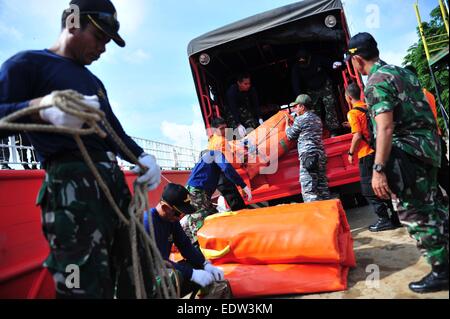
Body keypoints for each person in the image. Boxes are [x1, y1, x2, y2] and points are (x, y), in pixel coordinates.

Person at [0, 0, 161, 298]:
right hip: (70, 192)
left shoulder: (94, 82)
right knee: (79, 281)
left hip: (112, 188)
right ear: (73, 22)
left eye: (107, 42)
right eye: (99, 37)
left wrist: (142, 157)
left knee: (136, 273)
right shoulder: (26, 65)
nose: (102, 48)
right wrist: (40, 108)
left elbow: (113, 132)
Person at [348, 32, 448, 293]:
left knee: (414, 213)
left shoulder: (376, 82)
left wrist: (378, 169)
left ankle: (442, 270)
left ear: (357, 60)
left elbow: (385, 128)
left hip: (407, 155)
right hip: (430, 149)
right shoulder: (403, 72)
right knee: (435, 207)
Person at [142, 183, 225, 298]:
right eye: (178, 213)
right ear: (165, 207)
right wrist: (192, 274)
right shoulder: (147, 223)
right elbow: (157, 261)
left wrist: (205, 264)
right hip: (143, 277)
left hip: (160, 269)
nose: (181, 217)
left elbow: (185, 245)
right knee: (176, 277)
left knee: (197, 266)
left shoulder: (171, 220)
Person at [345, 83, 401, 231]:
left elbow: (357, 136)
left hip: (365, 154)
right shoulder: (369, 107)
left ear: (348, 97)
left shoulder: (352, 113)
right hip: (378, 149)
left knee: (368, 190)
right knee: (384, 185)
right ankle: (395, 217)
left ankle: (384, 219)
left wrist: (351, 153)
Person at [181, 150, 252, 245]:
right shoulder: (216, 154)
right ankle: (199, 251)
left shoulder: (204, 162)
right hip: (197, 193)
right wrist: (243, 185)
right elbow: (227, 168)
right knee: (200, 226)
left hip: (198, 193)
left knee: (213, 217)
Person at [404, 64, 449, 197]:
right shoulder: (426, 92)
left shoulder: (415, 95)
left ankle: (440, 209)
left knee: (431, 179)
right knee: (443, 173)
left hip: (425, 141)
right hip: (436, 138)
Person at [285, 94, 331, 203]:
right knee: (322, 187)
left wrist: (287, 124)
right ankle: (329, 213)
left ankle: (316, 217)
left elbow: (290, 135)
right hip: (320, 155)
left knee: (309, 189)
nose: (294, 109)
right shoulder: (317, 118)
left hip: (308, 156)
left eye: (296, 106)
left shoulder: (301, 119)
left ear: (302, 106)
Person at [291, 49, 342, 136]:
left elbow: (329, 63)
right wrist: (299, 98)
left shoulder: (317, 59)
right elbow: (296, 84)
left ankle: (334, 129)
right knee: (313, 111)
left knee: (330, 106)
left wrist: (335, 64)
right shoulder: (296, 68)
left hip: (325, 85)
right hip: (311, 89)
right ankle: (317, 131)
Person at [207, 117, 246, 211]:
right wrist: (242, 162)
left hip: (218, 180)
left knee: (234, 204)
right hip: (224, 178)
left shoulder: (211, 141)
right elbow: (230, 162)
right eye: (221, 128)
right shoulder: (221, 141)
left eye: (225, 128)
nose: (224, 131)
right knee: (239, 207)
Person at [226, 73, 263, 138]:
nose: (248, 85)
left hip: (244, 110)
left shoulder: (252, 90)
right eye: (245, 84)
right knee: (234, 133)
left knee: (253, 125)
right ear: (239, 83)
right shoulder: (231, 92)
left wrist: (260, 117)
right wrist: (238, 124)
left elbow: (256, 104)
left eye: (249, 83)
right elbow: (233, 108)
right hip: (231, 111)